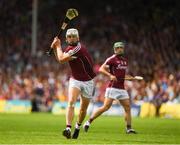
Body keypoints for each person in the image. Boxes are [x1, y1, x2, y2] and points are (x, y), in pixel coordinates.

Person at [83, 41, 143, 134]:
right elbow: (101, 69)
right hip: (113, 87)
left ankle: (129, 128)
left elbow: (122, 75)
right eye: (118, 48)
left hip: (121, 88)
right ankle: (88, 122)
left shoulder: (124, 61)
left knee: (127, 107)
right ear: (115, 49)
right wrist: (110, 75)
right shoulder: (111, 59)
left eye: (121, 48)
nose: (120, 49)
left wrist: (129, 78)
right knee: (105, 107)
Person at [50, 28, 96, 139]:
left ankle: (77, 126)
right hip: (75, 80)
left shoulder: (78, 49)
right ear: (66, 39)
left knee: (83, 110)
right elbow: (60, 59)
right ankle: (68, 128)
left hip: (88, 82)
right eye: (69, 37)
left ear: (78, 38)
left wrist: (57, 45)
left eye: (74, 36)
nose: (72, 38)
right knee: (71, 102)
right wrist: (56, 48)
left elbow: (61, 59)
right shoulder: (69, 48)